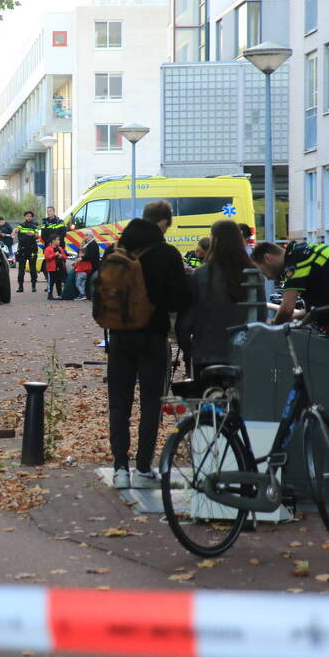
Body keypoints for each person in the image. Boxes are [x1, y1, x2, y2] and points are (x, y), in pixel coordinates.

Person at [251, 240, 329, 484]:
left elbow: (286, 311)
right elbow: (310, 311)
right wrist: (296, 320)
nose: (266, 276)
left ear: (267, 258)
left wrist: (270, 333)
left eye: (263, 271)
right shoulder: (309, 254)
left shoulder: (297, 260)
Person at [107, 201, 189, 489]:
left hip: (118, 337)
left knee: (119, 403)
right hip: (153, 336)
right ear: (165, 222)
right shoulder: (167, 254)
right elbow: (179, 299)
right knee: (151, 404)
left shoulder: (116, 250)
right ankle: (143, 468)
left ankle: (119, 468)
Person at [176, 221, 252, 378]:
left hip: (207, 354)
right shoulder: (252, 273)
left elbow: (186, 321)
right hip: (245, 353)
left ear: (214, 242)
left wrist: (189, 350)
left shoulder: (201, 275)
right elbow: (260, 316)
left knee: (207, 395)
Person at [14, 210, 39, 292]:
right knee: (21, 269)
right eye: (27, 216)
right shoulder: (21, 225)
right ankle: (20, 286)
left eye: (30, 216)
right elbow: (16, 230)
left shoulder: (34, 226)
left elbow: (38, 236)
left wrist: (33, 234)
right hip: (22, 250)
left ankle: (33, 286)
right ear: (25, 217)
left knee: (33, 269)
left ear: (32, 217)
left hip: (32, 249)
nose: (29, 217)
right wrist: (14, 232)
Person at [44, 235, 67, 300]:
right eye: (58, 240)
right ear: (53, 241)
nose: (59, 241)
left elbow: (65, 256)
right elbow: (47, 257)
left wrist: (61, 256)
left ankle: (59, 294)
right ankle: (50, 295)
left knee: (58, 282)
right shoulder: (48, 249)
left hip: (59, 267)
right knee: (51, 282)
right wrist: (54, 254)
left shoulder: (60, 248)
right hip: (51, 268)